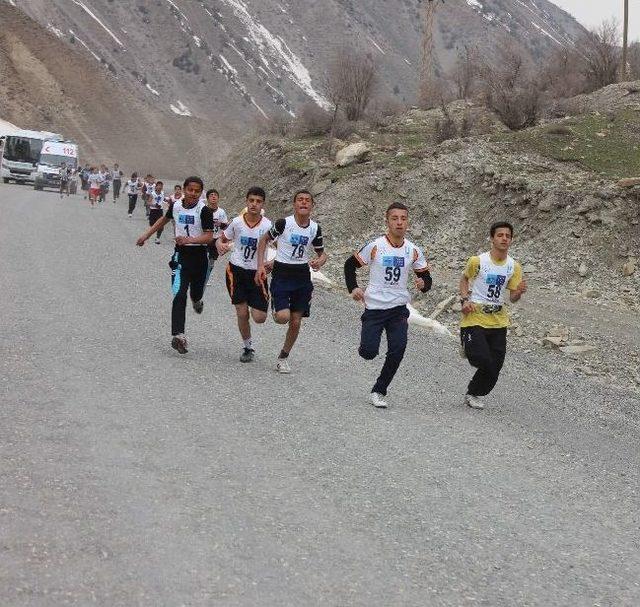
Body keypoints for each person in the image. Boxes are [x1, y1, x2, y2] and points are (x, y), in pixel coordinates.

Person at [344, 202, 433, 408]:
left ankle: (379, 390)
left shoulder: (413, 250)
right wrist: (354, 288)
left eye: (403, 218)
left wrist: (424, 284)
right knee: (368, 353)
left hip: (398, 309)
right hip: (374, 308)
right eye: (395, 218)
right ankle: (366, 345)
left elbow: (426, 276)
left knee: (398, 349)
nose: (399, 222)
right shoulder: (376, 246)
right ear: (387, 221)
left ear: (407, 222)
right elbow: (350, 265)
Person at [136, 176, 214, 354]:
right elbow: (163, 220)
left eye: (197, 191)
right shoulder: (176, 205)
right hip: (181, 256)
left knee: (195, 293)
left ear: (201, 192)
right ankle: (179, 335)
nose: (193, 193)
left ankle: (197, 300)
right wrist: (146, 236)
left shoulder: (204, 211)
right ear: (184, 189)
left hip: (200, 256)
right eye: (190, 189)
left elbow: (209, 237)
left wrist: (190, 239)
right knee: (179, 293)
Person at [255, 190, 326, 374]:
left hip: (302, 276)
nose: (303, 203)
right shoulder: (283, 223)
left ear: (312, 206)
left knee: (295, 321)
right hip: (282, 273)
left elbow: (322, 253)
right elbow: (263, 241)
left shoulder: (315, 228)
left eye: (307, 200)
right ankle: (275, 309)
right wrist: (261, 266)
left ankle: (283, 357)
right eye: (300, 200)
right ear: (294, 204)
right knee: (283, 318)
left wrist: (320, 261)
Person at [459, 221, 527, 410]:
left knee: (495, 365)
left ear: (511, 240)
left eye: (507, 236)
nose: (504, 238)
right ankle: (469, 346)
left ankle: (474, 393)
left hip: (498, 320)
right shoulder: (478, 261)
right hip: (475, 316)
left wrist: (519, 292)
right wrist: (465, 300)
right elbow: (464, 279)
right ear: (492, 238)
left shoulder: (514, 266)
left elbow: (512, 298)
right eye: (500, 235)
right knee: (481, 358)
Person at [216, 187, 272, 362]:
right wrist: (219, 245)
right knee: (241, 312)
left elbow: (282, 247)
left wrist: (271, 263)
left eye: (258, 201)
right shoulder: (237, 222)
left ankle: (256, 307)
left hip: (257, 273)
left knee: (259, 317)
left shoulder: (268, 225)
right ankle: (248, 347)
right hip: (236, 271)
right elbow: (222, 238)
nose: (254, 204)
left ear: (263, 204)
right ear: (246, 202)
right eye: (251, 201)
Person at [204, 188, 228, 283]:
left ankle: (206, 278)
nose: (213, 196)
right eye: (211, 195)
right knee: (201, 259)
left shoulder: (221, 212)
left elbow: (226, 226)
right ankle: (198, 277)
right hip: (205, 238)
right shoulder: (203, 210)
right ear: (207, 198)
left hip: (216, 240)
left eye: (215, 195)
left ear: (218, 198)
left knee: (212, 261)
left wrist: (220, 224)